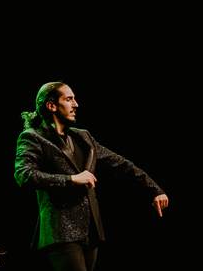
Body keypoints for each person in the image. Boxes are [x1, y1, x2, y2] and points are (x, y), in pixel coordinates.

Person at [14, 82, 169, 271]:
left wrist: (154, 190)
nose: (76, 104)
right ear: (51, 106)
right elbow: (24, 175)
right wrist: (71, 179)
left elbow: (121, 164)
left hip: (91, 230)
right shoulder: (33, 137)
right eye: (69, 99)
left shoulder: (84, 137)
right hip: (61, 230)